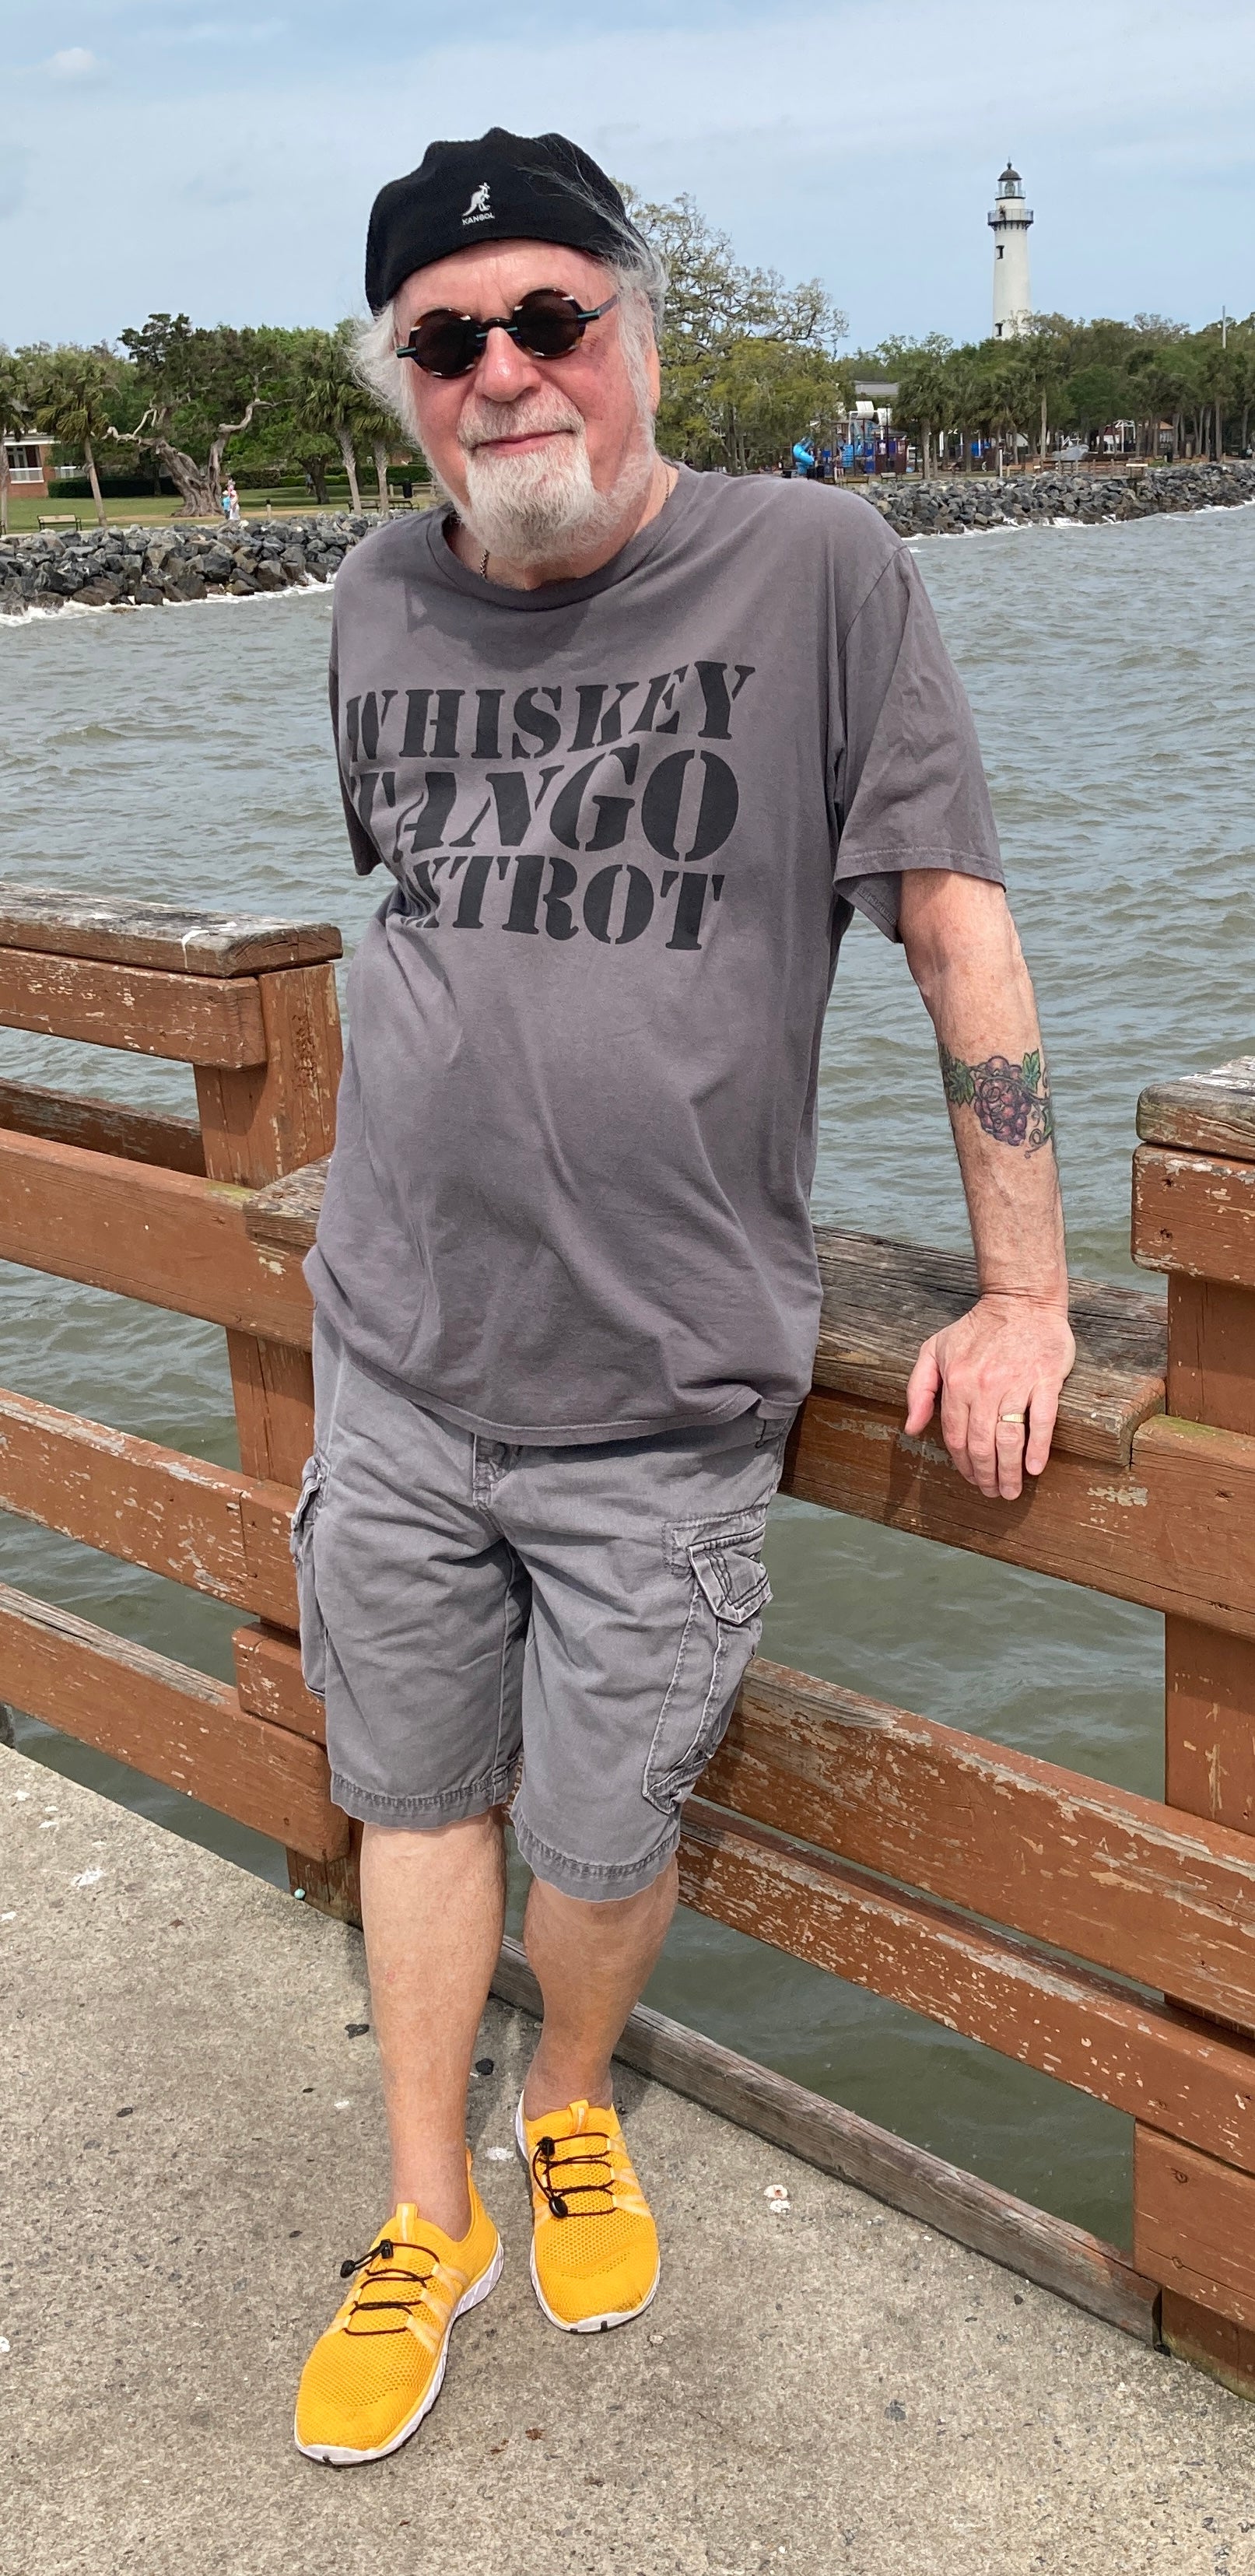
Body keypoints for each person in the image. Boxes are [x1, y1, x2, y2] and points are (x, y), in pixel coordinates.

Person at [291, 126, 1074, 2469]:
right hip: (400, 1350)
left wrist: (1029, 1295)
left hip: (664, 1386)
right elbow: (419, 913)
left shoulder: (820, 560)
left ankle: (571, 2094)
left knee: (608, 1831)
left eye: (553, 320)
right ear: (404, 381)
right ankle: (424, 2210)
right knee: (415, 1797)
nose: (507, 370)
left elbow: (949, 918)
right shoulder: (366, 594)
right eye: (451, 338)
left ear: (641, 330)